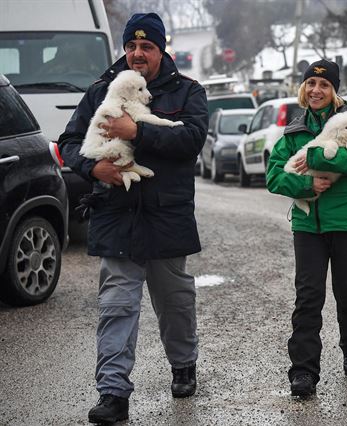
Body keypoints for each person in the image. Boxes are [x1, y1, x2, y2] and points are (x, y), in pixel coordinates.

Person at [58, 13, 208, 423]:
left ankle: (183, 365)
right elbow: (71, 141)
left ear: (161, 50)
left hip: (167, 216)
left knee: (175, 302)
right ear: (124, 49)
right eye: (131, 47)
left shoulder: (188, 92)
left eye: (147, 47)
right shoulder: (100, 92)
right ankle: (113, 393)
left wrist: (136, 132)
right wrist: (92, 170)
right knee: (116, 305)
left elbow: (192, 139)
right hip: (115, 214)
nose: (138, 54)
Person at [266, 59, 347, 398]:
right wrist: (305, 187)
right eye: (311, 85)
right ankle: (303, 372)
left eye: (324, 85)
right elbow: (274, 175)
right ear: (303, 88)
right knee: (308, 296)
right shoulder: (294, 129)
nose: (316, 90)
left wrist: (315, 160)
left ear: (334, 90)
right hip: (307, 225)